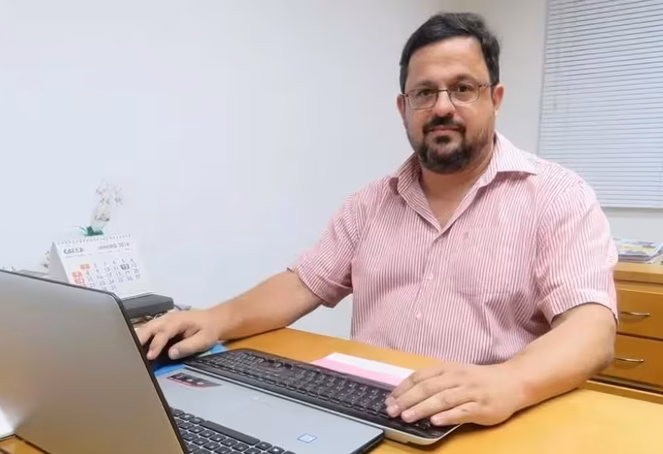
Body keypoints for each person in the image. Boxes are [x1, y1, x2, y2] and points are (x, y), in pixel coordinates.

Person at [138, 12, 617, 428]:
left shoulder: (557, 196)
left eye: (463, 89)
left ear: (495, 98)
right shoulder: (369, 204)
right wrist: (215, 319)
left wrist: (509, 382)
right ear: (404, 108)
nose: (442, 106)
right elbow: (303, 283)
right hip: (371, 410)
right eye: (424, 92)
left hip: (485, 416)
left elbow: (591, 328)